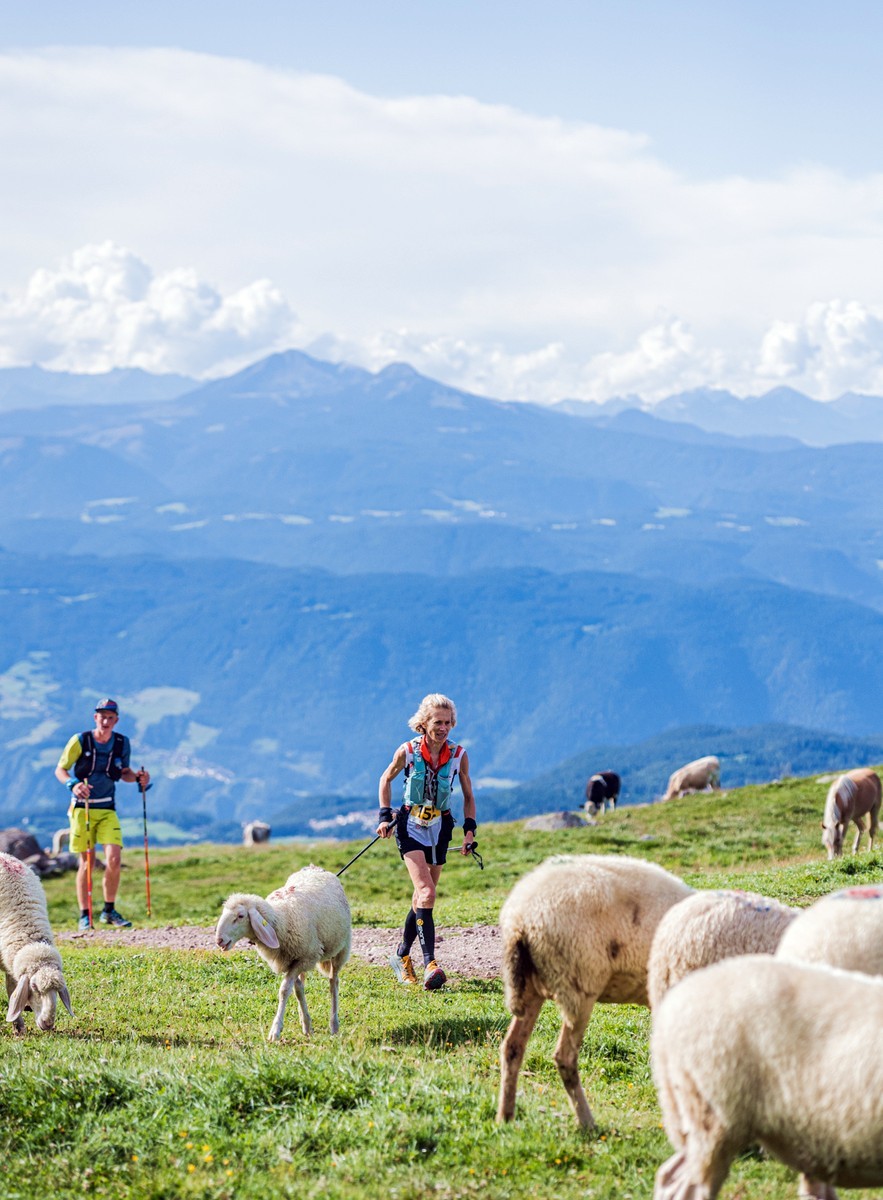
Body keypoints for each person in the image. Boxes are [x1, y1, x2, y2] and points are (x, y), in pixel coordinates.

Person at [377, 693, 476, 991]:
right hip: (410, 825)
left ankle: (401, 956)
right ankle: (430, 964)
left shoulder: (459, 755)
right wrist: (384, 816)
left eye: (448, 722)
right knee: (426, 892)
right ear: (424, 723)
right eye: (437, 722)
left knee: (423, 898)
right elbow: (386, 779)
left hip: (440, 827)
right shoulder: (407, 751)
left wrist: (469, 830)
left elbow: (469, 796)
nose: (443, 728)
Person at [54, 698, 150, 930]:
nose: (106, 721)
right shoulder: (80, 740)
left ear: (116, 720)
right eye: (102, 716)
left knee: (114, 859)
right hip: (82, 808)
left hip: (107, 808)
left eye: (110, 717)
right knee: (87, 863)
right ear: (95, 717)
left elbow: (124, 772)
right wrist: (73, 785)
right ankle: (85, 915)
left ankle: (108, 911)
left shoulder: (121, 743)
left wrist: (138, 778)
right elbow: (61, 769)